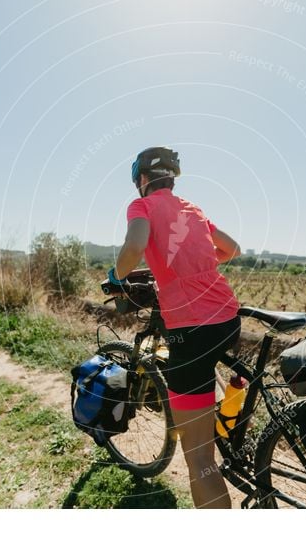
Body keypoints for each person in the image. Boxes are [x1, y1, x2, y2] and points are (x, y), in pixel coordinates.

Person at [108, 146, 242, 508]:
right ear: (172, 177)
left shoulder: (142, 207)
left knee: (199, 460)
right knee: (207, 372)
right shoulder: (192, 209)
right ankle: (231, 429)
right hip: (229, 319)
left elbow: (135, 245)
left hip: (191, 330)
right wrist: (192, 267)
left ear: (143, 179)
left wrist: (115, 276)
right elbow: (232, 249)